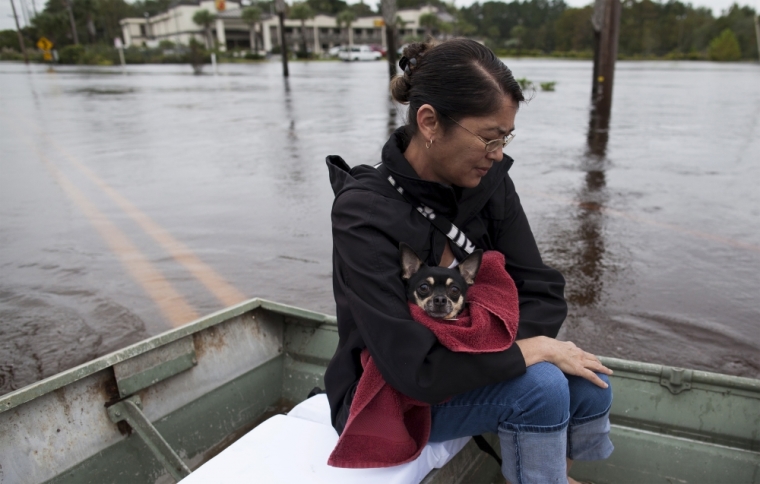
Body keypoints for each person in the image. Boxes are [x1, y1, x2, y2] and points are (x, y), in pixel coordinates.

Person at [324, 38, 614, 483]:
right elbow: (412, 369)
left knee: (591, 384)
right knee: (544, 385)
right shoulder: (362, 213)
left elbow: (542, 292)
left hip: (460, 367)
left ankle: (546, 475)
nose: (498, 153)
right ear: (429, 122)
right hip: (388, 392)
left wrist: (495, 349)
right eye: (489, 137)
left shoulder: (489, 185)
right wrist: (525, 352)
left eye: (506, 137)